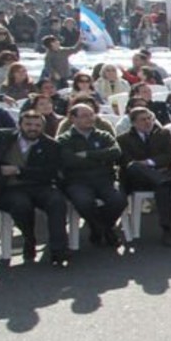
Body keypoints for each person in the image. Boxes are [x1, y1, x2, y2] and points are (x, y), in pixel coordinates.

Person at [0, 111, 70, 266]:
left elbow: (51, 172)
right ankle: (30, 238)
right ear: (19, 125)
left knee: (57, 201)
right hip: (10, 188)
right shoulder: (2, 138)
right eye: (28, 124)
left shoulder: (51, 145)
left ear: (43, 127)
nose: (32, 128)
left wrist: (19, 170)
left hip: (40, 185)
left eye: (37, 125)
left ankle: (59, 250)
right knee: (21, 204)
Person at [57, 104, 126, 247]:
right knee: (83, 201)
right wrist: (100, 159)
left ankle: (101, 228)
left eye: (91, 115)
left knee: (119, 200)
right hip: (78, 181)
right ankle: (102, 229)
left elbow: (115, 152)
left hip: (104, 179)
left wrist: (88, 155)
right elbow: (69, 161)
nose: (89, 119)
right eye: (84, 116)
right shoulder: (64, 139)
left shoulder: (103, 135)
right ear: (73, 118)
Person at [118, 107, 171, 246]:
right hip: (138, 180)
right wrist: (146, 165)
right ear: (133, 123)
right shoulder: (123, 139)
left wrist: (149, 162)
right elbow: (125, 162)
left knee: (162, 187)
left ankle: (167, 230)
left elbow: (170, 155)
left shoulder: (163, 134)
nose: (147, 122)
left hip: (162, 175)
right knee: (134, 166)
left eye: (149, 118)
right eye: (143, 120)